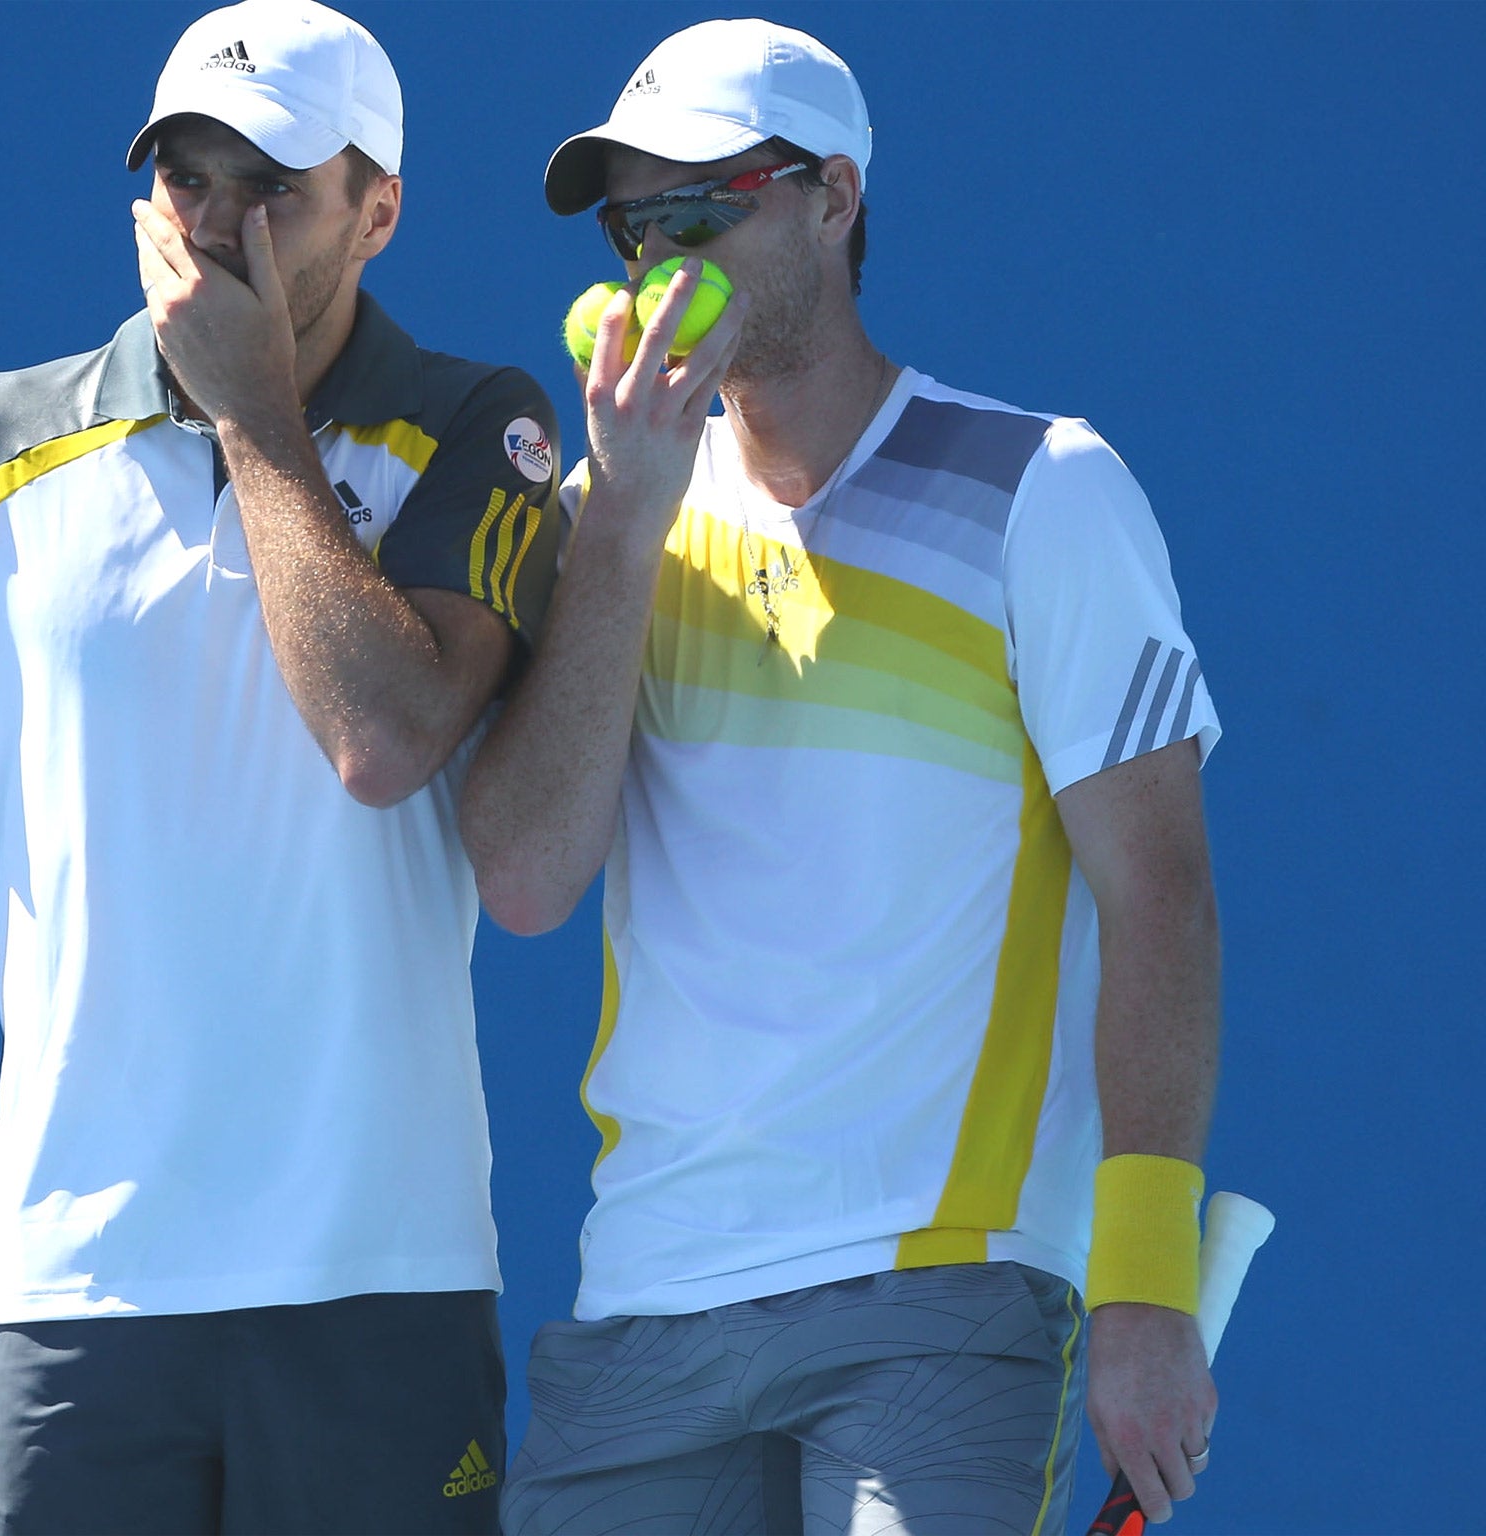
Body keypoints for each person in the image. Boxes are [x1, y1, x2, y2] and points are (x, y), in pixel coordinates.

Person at [464, 19, 1223, 1535]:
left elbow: (1162, 902)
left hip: (940, 1293)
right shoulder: (617, 523)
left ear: (834, 196)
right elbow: (527, 880)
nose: (658, 258)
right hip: (647, 1294)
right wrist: (617, 531)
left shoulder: (1042, 489)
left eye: (706, 206)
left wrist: (1144, 1283)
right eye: (635, 224)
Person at [0, 4, 561, 1531]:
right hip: (65, 1298)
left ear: (379, 213)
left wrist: (254, 413)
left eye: (271, 185)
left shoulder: (483, 426)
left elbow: (384, 739)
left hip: (382, 1286)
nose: (216, 225)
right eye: (186, 177)